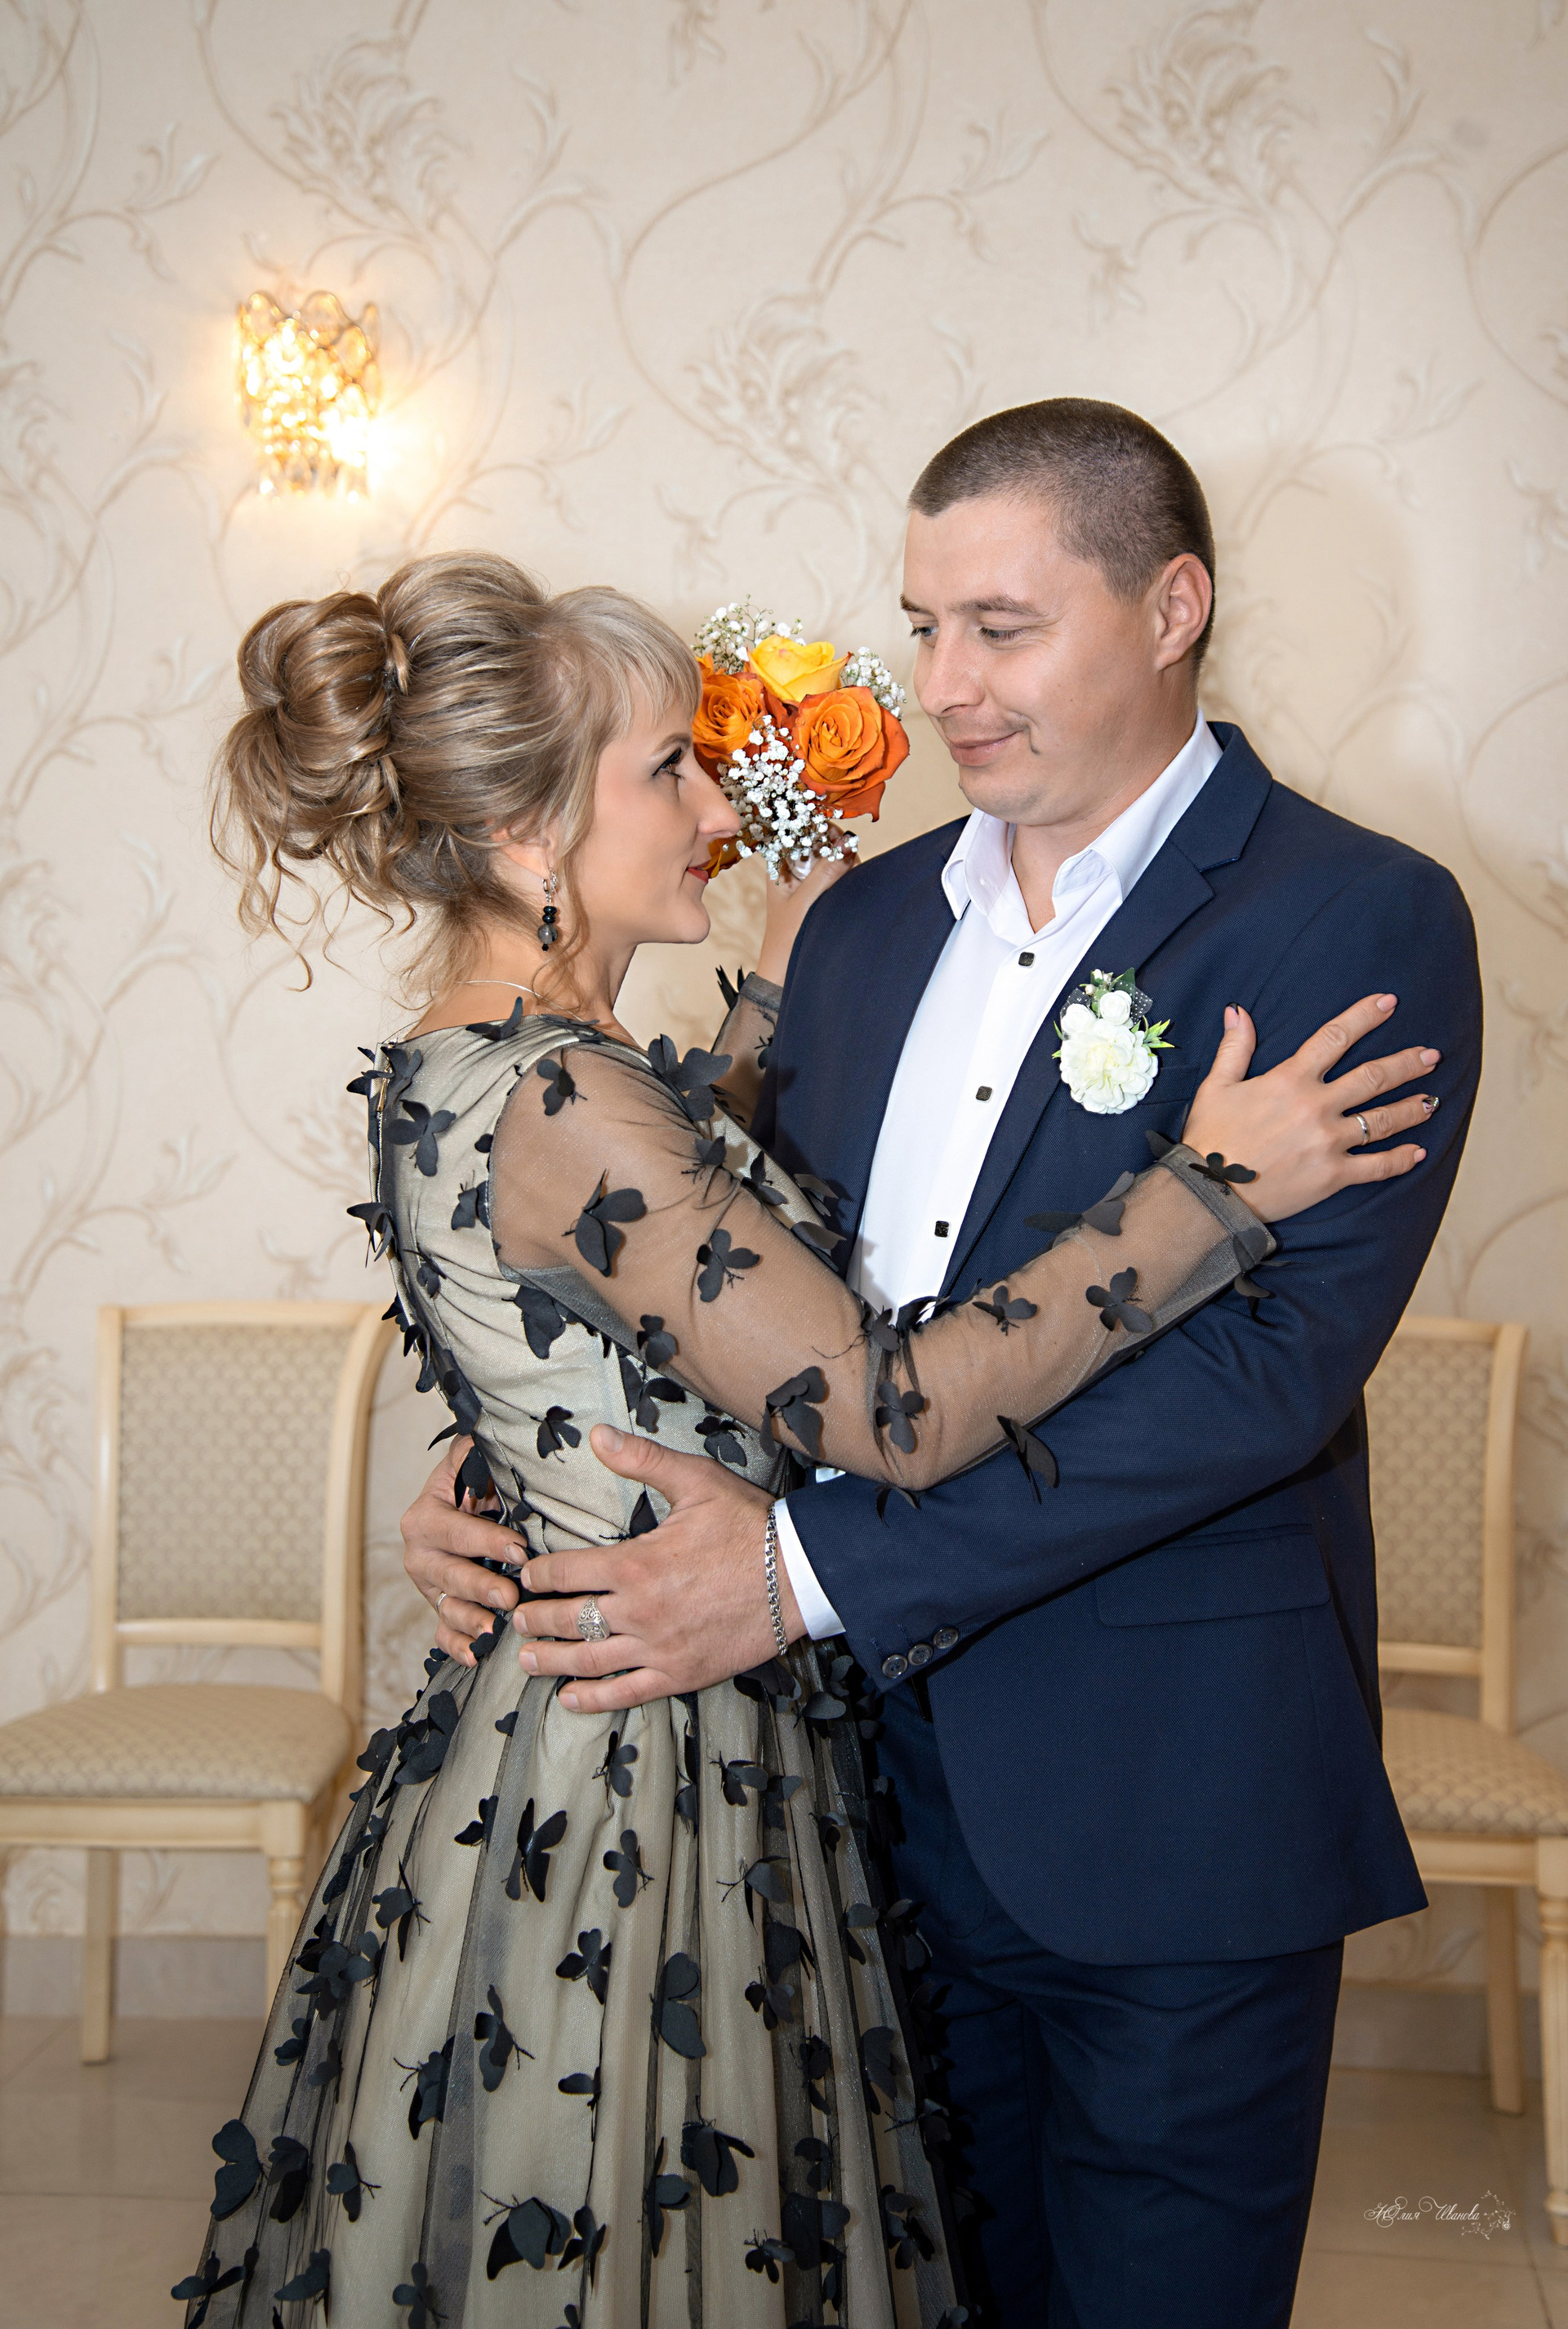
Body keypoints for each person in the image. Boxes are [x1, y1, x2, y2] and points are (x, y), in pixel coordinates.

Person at [183, 542, 1437, 2329]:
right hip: (649, 1771)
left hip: (683, 1726)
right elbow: (885, 1405)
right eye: (665, 770)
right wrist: (1203, 1191)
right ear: (533, 835)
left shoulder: (487, 1060)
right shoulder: (565, 1088)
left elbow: (602, 1290)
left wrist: (505, 1469)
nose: (714, 806)